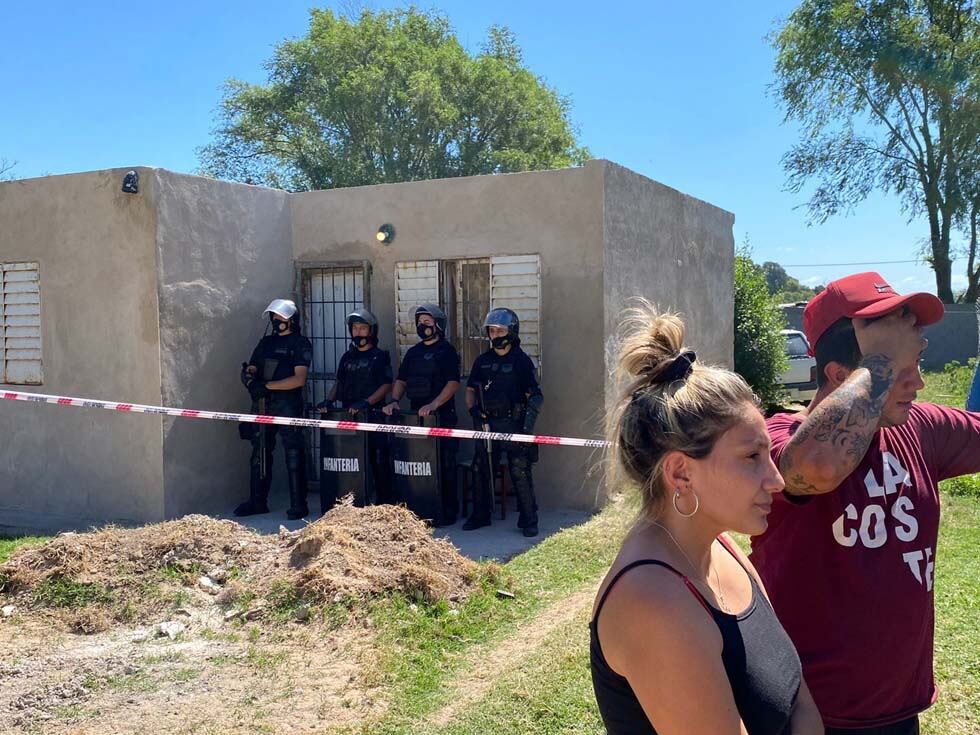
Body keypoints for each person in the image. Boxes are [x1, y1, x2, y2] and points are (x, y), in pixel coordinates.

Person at [750, 272, 980, 734]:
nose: (918, 381)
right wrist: (879, 364)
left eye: (918, 360)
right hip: (808, 716)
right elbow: (817, 468)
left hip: (898, 711)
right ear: (842, 376)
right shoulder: (776, 442)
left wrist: (886, 361)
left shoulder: (918, 426)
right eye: (898, 369)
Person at [591, 303, 823, 735]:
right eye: (752, 457)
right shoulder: (653, 601)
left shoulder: (722, 545)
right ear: (681, 472)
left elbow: (800, 700)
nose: (775, 480)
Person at [462, 307, 544, 536]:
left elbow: (535, 397)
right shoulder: (482, 361)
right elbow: (469, 390)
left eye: (500, 330)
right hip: (487, 425)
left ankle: (529, 520)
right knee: (481, 467)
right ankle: (481, 515)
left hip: (514, 424)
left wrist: (526, 430)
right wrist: (473, 411)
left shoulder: (521, 361)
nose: (495, 335)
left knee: (519, 469)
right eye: (492, 331)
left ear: (511, 332)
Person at [382, 304, 461, 525]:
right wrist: (395, 401)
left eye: (426, 322)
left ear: (438, 324)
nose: (422, 326)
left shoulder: (447, 351)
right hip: (415, 417)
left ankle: (446, 512)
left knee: (444, 464)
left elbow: (453, 383)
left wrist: (435, 404)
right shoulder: (413, 353)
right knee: (415, 464)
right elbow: (401, 380)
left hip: (441, 416)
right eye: (419, 322)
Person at [234, 298, 313, 520]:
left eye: (282, 318)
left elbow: (299, 379)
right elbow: (251, 368)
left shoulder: (300, 343)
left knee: (293, 452)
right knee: (259, 452)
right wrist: (250, 381)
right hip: (262, 404)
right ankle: (257, 501)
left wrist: (267, 386)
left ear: (292, 320)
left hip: (288, 404)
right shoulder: (265, 343)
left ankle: (299, 504)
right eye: (275, 317)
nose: (278, 321)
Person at [318, 308, 393, 511]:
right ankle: (353, 502)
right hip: (348, 415)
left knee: (377, 458)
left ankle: (384, 504)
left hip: (373, 415)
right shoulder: (346, 357)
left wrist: (368, 402)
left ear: (372, 331)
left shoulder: (379, 357)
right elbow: (339, 383)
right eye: (355, 328)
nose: (358, 332)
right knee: (351, 460)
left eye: (363, 328)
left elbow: (386, 384)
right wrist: (328, 401)